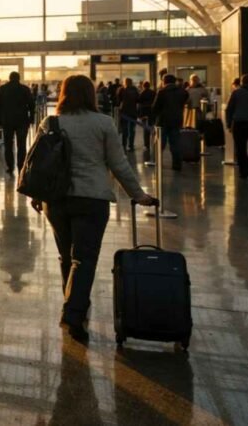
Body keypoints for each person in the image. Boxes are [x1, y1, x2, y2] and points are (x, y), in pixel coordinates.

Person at [35, 75, 157, 342]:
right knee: (84, 259)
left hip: (56, 200)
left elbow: (37, 162)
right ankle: (74, 312)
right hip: (92, 199)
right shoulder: (103, 123)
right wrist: (138, 195)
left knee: (66, 257)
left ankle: (73, 304)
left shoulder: (51, 122)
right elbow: (118, 164)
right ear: (91, 95)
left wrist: (36, 194)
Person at [0, 71, 34, 175]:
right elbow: (31, 104)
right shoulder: (25, 89)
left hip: (7, 120)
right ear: (19, 78)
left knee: (8, 145)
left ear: (9, 78)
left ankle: (10, 166)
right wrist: (31, 118)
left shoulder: (3, 89)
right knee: (21, 144)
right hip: (22, 120)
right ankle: (21, 166)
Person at [151, 74, 189, 171]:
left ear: (164, 81)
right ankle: (177, 164)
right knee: (175, 143)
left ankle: (158, 162)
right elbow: (184, 101)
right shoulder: (182, 92)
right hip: (176, 120)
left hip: (163, 121)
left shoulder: (162, 92)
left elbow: (155, 107)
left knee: (160, 143)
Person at [116, 78, 140, 151]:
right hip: (133, 112)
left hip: (124, 112)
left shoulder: (121, 89)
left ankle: (124, 145)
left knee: (125, 129)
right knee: (132, 129)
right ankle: (131, 145)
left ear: (125, 82)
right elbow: (138, 100)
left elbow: (118, 100)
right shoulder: (135, 90)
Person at [137, 80, 155, 154]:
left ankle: (146, 145)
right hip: (151, 112)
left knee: (145, 130)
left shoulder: (142, 93)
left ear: (143, 86)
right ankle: (154, 143)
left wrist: (139, 114)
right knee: (152, 127)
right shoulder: (153, 92)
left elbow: (139, 102)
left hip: (144, 113)